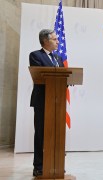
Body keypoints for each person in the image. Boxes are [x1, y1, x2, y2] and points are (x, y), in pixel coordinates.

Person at [29, 29, 63, 176]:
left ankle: (55, 164)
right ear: (45, 41)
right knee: (41, 134)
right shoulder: (35, 55)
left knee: (57, 134)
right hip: (42, 101)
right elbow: (39, 75)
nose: (58, 41)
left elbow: (63, 77)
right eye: (55, 39)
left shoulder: (58, 58)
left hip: (57, 101)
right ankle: (39, 166)